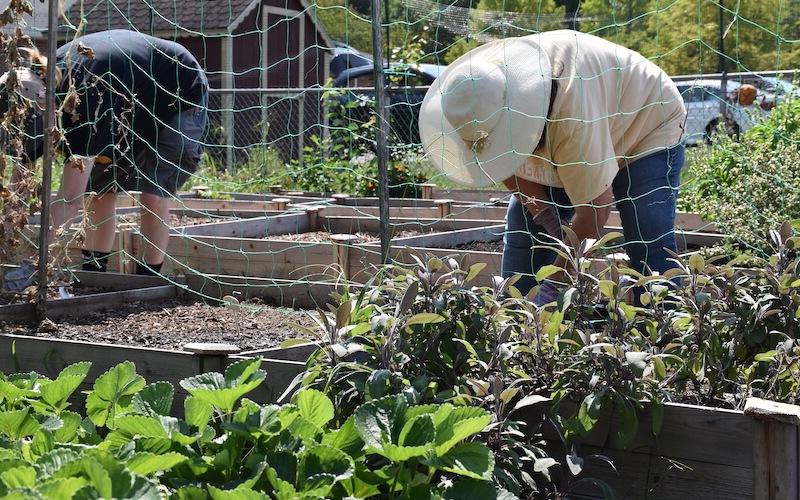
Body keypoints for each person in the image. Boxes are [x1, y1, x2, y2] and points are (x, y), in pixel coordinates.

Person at [419, 30, 687, 304]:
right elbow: (500, 164)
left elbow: (595, 209)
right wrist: (543, 213)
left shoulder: (570, 119)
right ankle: (516, 321)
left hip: (647, 121)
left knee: (647, 238)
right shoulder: (478, 96)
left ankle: (664, 332)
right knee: (526, 233)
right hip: (588, 112)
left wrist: (556, 282)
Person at [2, 30, 208, 291]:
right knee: (98, 193)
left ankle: (147, 282)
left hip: (176, 90)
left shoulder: (83, 103)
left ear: (43, 104)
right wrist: (6, 233)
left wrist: (33, 263)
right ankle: (93, 279)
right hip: (126, 100)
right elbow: (20, 179)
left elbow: (69, 199)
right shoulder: (46, 97)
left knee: (153, 193)